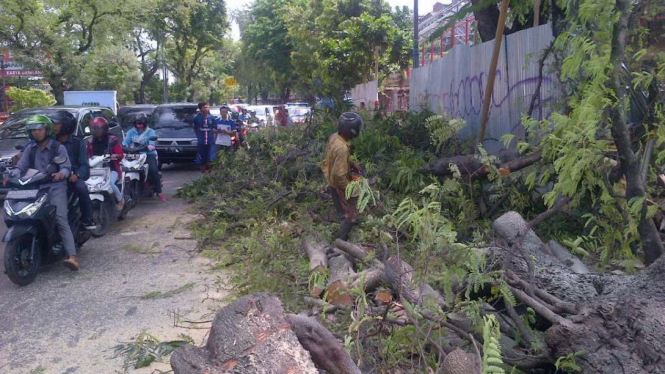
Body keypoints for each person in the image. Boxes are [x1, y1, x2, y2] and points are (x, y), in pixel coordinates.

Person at [10, 115, 80, 270]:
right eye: (33, 130)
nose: (36, 133)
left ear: (47, 129)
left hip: (55, 187)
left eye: (39, 129)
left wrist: (61, 173)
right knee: (23, 214)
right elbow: (21, 167)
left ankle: (72, 256)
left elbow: (66, 166)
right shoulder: (30, 148)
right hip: (35, 188)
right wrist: (11, 175)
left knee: (60, 218)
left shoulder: (57, 147)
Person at [50, 111, 96, 231]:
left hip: (71, 178)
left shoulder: (77, 143)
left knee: (81, 188)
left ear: (66, 125)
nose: (54, 127)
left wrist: (77, 175)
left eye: (57, 124)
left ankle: (88, 218)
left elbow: (84, 165)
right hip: (52, 177)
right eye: (53, 124)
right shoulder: (49, 141)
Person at [321, 112, 363, 240]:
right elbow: (338, 175)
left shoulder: (335, 137)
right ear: (352, 131)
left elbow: (336, 158)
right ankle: (341, 243)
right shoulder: (342, 148)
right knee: (348, 215)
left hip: (331, 180)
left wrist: (351, 163)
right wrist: (350, 189)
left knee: (345, 210)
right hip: (337, 184)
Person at [123, 113, 166, 202]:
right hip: (134, 155)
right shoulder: (131, 132)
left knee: (153, 171)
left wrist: (150, 146)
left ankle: (160, 192)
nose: (139, 125)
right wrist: (123, 147)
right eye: (137, 123)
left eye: (141, 123)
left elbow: (152, 143)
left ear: (145, 123)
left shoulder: (150, 131)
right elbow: (125, 143)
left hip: (148, 154)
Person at [86, 117, 125, 211]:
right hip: (95, 170)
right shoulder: (89, 141)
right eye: (94, 128)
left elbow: (120, 154)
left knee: (111, 183)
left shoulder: (112, 140)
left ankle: (120, 200)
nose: (96, 131)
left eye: (98, 128)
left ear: (105, 129)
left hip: (111, 169)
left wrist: (116, 156)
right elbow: (86, 155)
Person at [191, 102, 216, 173]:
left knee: (212, 160)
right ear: (200, 109)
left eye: (207, 107)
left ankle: (209, 173)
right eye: (204, 107)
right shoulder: (197, 118)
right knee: (200, 160)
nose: (206, 109)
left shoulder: (212, 118)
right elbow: (195, 129)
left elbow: (214, 129)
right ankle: (205, 174)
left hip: (211, 142)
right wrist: (199, 137)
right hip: (201, 143)